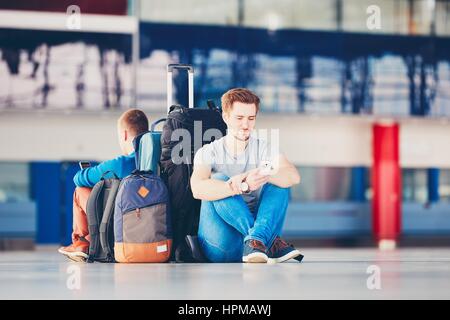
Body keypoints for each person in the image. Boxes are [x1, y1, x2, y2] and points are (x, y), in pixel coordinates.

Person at [190, 88, 302, 263]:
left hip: (257, 250)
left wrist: (257, 175)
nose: (245, 125)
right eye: (239, 118)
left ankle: (257, 239)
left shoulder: (265, 148)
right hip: (222, 245)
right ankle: (265, 240)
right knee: (219, 180)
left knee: (279, 181)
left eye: (251, 118)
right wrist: (242, 186)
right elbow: (197, 189)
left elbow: (293, 177)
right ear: (225, 117)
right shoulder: (208, 152)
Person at [58, 109, 149, 262]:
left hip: (118, 222)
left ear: (125, 135)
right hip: (148, 222)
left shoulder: (120, 164)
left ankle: (81, 243)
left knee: (80, 191)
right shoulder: (158, 160)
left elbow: (78, 179)